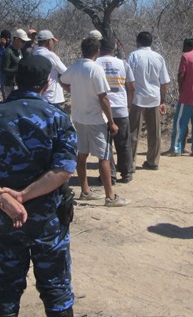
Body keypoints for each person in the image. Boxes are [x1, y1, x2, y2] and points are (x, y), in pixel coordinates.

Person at [0, 56, 94, 317]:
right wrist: (24, 196)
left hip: (5, 219)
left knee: (5, 285)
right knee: (55, 284)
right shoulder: (57, 118)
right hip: (48, 220)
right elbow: (64, 170)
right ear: (46, 83)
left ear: (14, 80)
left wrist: (3, 198)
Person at [61, 38, 128, 206]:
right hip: (96, 119)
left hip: (78, 117)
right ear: (97, 51)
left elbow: (62, 79)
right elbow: (104, 98)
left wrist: (72, 91)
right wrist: (111, 122)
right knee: (104, 156)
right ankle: (110, 197)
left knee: (82, 154)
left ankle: (85, 190)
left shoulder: (75, 67)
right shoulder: (96, 69)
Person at [127, 31, 170, 170]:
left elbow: (129, 79)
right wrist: (163, 101)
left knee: (133, 132)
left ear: (137, 41)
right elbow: (164, 83)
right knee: (155, 132)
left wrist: (128, 98)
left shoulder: (133, 56)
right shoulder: (159, 57)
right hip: (154, 98)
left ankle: (131, 163)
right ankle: (153, 161)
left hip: (137, 98)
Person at [97, 40, 135, 183]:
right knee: (124, 142)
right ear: (113, 50)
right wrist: (128, 106)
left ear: (100, 49)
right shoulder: (123, 64)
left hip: (101, 109)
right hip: (120, 108)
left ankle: (109, 175)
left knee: (105, 144)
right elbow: (131, 87)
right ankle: (126, 173)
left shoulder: (95, 63)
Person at [32, 29, 68, 109]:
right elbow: (65, 71)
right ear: (48, 41)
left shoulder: (34, 53)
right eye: (52, 41)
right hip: (52, 96)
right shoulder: (50, 55)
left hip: (39, 94)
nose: (53, 43)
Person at [1, 29, 29, 99]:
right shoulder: (8, 52)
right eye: (23, 41)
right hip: (10, 85)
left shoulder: (19, 51)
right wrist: (18, 70)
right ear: (16, 39)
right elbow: (4, 70)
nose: (24, 43)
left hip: (20, 84)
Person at [0, 29, 12, 100]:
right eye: (5, 38)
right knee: (4, 91)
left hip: (11, 71)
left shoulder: (12, 46)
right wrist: (2, 47)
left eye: (8, 38)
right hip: (3, 72)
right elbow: (0, 58)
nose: (7, 39)